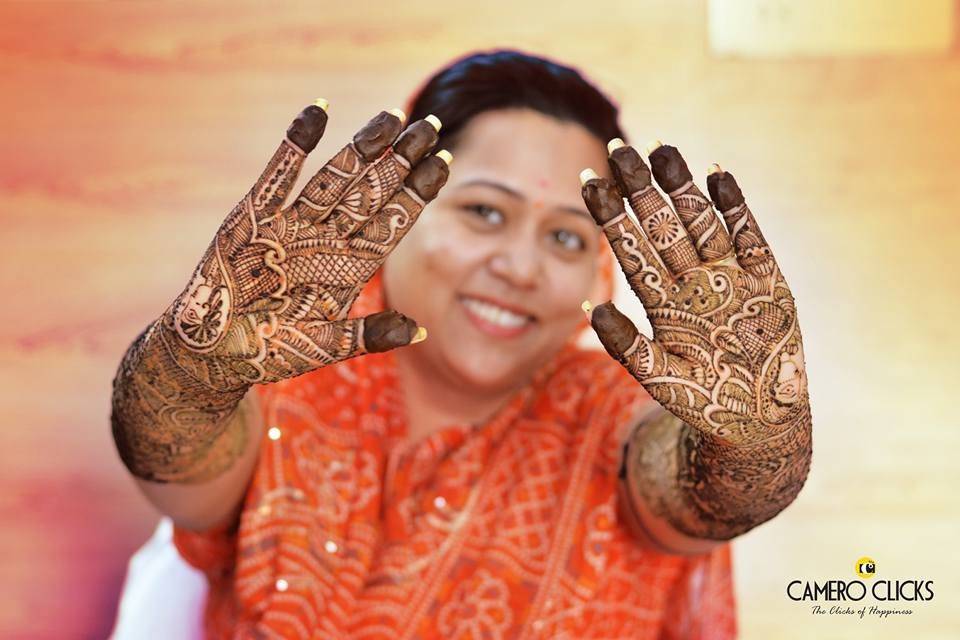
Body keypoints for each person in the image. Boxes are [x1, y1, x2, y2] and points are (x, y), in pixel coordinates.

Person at [110, 49, 811, 638]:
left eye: (565, 236)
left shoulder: (613, 413)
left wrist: (759, 444)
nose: (520, 267)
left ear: (599, 265)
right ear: (396, 211)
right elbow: (178, 467)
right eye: (484, 212)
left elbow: (700, 497)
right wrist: (188, 368)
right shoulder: (279, 374)